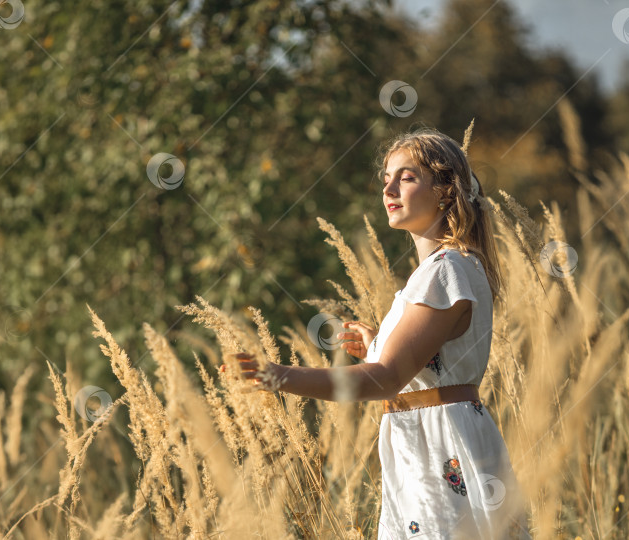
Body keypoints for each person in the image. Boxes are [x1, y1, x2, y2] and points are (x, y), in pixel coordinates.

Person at [227, 127, 531, 539]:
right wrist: (377, 342)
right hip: (436, 439)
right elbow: (436, 366)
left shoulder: (445, 270)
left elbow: (385, 379)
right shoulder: (452, 267)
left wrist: (280, 376)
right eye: (386, 178)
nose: (388, 188)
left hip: (440, 448)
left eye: (406, 177)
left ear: (445, 191)